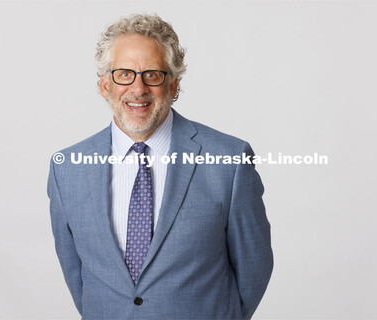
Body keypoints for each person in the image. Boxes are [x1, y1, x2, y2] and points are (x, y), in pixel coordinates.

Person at [47, 13, 273, 320]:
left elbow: (254, 267)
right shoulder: (67, 170)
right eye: (124, 74)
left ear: (173, 85)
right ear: (104, 86)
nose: (138, 89)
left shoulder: (229, 160)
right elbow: (77, 276)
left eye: (152, 75)